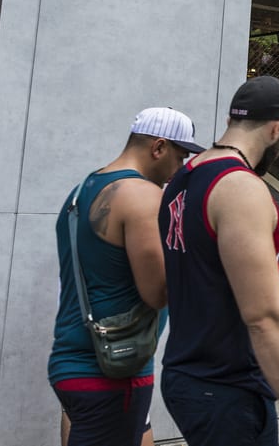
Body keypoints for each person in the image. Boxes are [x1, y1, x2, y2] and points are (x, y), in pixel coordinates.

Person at [158, 75, 279, 446]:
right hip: (226, 387)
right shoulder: (241, 187)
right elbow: (265, 319)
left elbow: (204, 256)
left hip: (188, 375)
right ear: (277, 128)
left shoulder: (186, 175)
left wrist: (273, 249)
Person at [49, 107, 203, 446]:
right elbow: (158, 293)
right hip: (112, 368)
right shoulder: (145, 197)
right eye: (179, 157)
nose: (179, 170)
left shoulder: (81, 191)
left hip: (72, 361)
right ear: (158, 148)